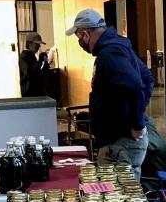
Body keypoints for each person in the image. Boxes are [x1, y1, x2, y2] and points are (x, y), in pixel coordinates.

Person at [66, 9, 154, 180]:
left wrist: (137, 122)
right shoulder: (118, 46)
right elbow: (147, 79)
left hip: (120, 143)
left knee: (117, 198)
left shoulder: (110, 53)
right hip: (120, 140)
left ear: (85, 34)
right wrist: (138, 113)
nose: (80, 43)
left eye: (78, 38)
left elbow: (136, 86)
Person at [19, 32, 49, 97]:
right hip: (29, 94)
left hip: (37, 93)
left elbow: (40, 72)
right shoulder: (24, 56)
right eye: (36, 44)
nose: (39, 46)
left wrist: (44, 63)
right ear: (29, 43)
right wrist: (40, 63)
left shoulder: (32, 56)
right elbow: (29, 73)